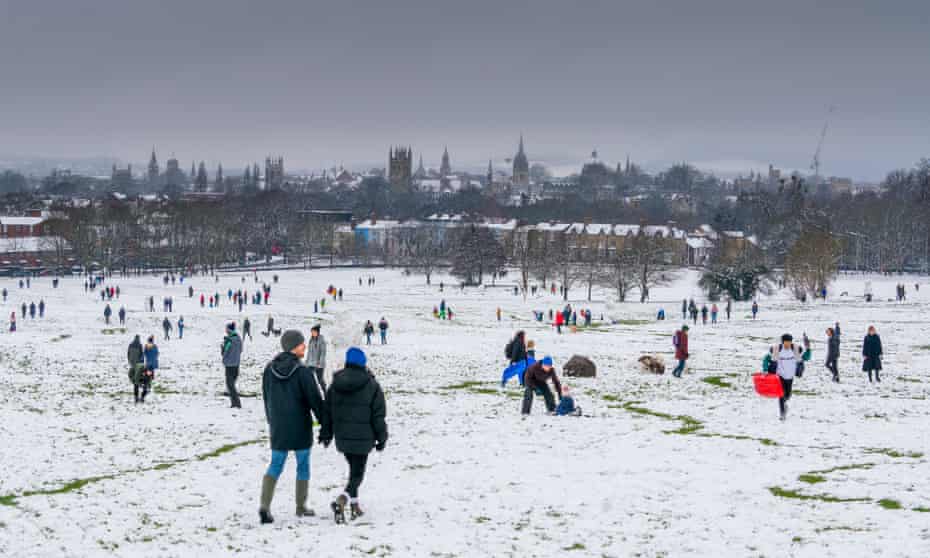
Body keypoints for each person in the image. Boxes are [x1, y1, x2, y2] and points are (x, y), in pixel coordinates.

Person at [258, 330, 331, 525]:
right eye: (301, 344)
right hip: (300, 426)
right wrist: (326, 421)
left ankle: (264, 507)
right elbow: (315, 400)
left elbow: (266, 398)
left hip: (279, 427)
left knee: (275, 465)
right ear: (293, 347)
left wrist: (271, 420)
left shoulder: (268, 369)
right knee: (303, 466)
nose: (304, 347)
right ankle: (300, 507)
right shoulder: (303, 372)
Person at [319, 347, 387, 524]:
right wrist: (382, 437)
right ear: (363, 363)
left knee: (353, 471)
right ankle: (342, 500)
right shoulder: (372, 385)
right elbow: (378, 415)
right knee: (358, 475)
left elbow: (327, 412)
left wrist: (326, 434)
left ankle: (355, 507)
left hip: (343, 438)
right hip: (364, 438)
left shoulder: (335, 384)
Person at [765, 334, 809, 421]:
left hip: (790, 376)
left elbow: (806, 357)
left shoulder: (796, 349)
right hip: (779, 375)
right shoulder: (777, 349)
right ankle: (782, 413)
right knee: (781, 394)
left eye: (789, 342)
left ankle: (785, 403)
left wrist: (808, 349)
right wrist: (765, 369)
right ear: (782, 342)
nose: (788, 344)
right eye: (786, 342)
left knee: (788, 395)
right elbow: (766, 359)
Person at [222, 323, 243, 408]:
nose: (225, 330)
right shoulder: (239, 339)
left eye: (226, 329)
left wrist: (223, 348)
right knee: (232, 384)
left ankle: (236, 403)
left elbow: (225, 352)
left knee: (230, 385)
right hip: (236, 364)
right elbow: (241, 350)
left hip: (229, 365)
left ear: (229, 330)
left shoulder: (229, 340)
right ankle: (234, 403)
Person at [306, 324, 327, 391]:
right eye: (311, 332)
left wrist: (320, 364)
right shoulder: (311, 340)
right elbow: (309, 353)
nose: (312, 333)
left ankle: (326, 393)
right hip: (311, 364)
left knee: (320, 380)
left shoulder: (321, 341)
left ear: (317, 332)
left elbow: (323, 353)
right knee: (308, 379)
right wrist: (306, 362)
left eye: (313, 332)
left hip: (319, 365)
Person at [127, 335, 146, 403]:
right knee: (139, 379)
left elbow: (128, 353)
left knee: (135, 380)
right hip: (138, 364)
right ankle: (140, 396)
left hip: (132, 363)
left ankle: (136, 396)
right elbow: (141, 355)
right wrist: (142, 363)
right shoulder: (139, 345)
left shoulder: (130, 345)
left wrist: (129, 360)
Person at [141, 336, 159, 403]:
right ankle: (149, 384)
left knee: (147, 374)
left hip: (148, 363)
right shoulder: (155, 346)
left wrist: (142, 360)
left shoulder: (146, 346)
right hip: (153, 363)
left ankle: (147, 385)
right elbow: (157, 353)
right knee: (151, 374)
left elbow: (144, 354)